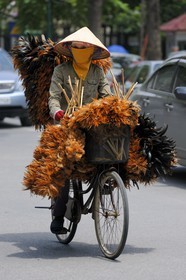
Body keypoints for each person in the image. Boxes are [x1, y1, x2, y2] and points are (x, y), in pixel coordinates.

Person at [48, 26, 111, 234]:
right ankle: (58, 216)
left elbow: (106, 95)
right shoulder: (61, 71)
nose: (81, 50)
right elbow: (54, 97)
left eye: (85, 47)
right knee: (64, 169)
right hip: (67, 125)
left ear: (92, 51)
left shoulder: (97, 71)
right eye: (77, 47)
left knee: (109, 155)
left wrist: (111, 109)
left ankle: (106, 182)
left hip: (91, 125)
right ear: (71, 48)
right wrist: (57, 113)